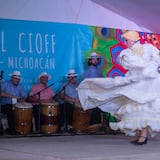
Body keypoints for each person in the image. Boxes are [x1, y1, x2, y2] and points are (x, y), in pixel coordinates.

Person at [77, 30, 160, 145]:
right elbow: (133, 65)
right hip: (136, 83)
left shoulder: (148, 48)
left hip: (149, 84)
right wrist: (148, 67)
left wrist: (151, 67)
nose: (125, 42)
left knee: (146, 110)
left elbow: (157, 59)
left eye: (126, 40)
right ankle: (141, 135)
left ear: (133, 40)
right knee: (138, 110)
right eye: (125, 40)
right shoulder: (126, 53)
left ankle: (142, 136)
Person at [0, 71, 27, 135]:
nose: (17, 80)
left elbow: (24, 96)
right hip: (5, 105)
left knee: (23, 110)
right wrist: (11, 96)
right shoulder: (5, 84)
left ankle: (22, 129)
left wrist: (22, 100)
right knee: (10, 110)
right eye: (16, 78)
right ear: (12, 78)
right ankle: (12, 129)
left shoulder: (20, 86)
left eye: (18, 79)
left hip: (16, 105)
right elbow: (0, 93)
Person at [82, 52, 104, 126]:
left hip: (96, 92)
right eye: (93, 59)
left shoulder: (97, 70)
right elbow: (93, 83)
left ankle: (96, 124)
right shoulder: (92, 70)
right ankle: (94, 125)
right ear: (90, 61)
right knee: (95, 108)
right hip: (92, 93)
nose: (95, 61)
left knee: (97, 108)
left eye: (96, 59)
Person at [58, 69, 80, 134]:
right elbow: (62, 95)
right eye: (71, 77)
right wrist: (73, 100)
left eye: (74, 77)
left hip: (77, 103)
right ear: (68, 78)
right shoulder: (65, 85)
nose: (73, 78)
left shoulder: (79, 85)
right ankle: (68, 126)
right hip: (68, 103)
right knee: (67, 106)